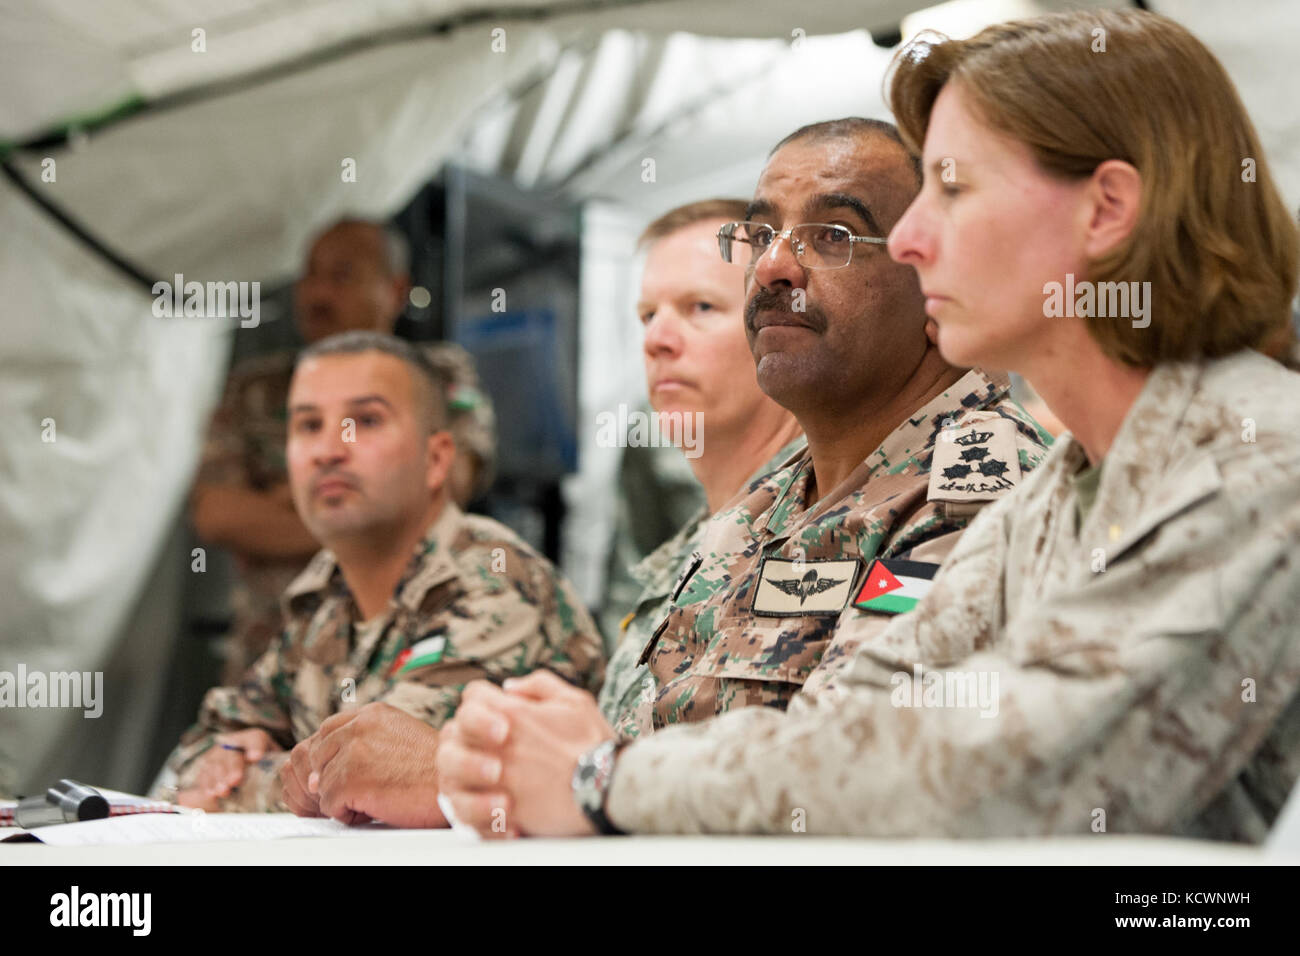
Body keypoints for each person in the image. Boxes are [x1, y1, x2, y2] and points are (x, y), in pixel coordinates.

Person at [435, 7, 1300, 842]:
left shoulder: (1259, 461)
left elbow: (1006, 766)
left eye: (953, 188)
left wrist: (602, 778)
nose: (915, 240)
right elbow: (845, 729)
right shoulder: (1058, 496)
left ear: (1107, 210)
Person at [288, 119, 1056, 827]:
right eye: (759, 235)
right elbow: (629, 735)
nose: (773, 267)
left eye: (833, 234)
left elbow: (847, 779)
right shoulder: (765, 505)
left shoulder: (979, 484)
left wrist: (475, 778)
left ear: (934, 273)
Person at [158, 332, 603, 815]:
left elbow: (369, 783)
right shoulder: (326, 598)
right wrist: (226, 755)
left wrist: (243, 781)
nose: (329, 449)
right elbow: (199, 749)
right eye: (308, 425)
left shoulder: (494, 580)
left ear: (436, 461)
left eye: (365, 421)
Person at [192, 218, 497, 683]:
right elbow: (218, 514)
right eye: (310, 275)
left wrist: (288, 498)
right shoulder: (257, 388)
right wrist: (377, 522)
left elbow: (446, 489)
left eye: (341, 276)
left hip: (403, 663)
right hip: (271, 666)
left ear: (394, 290)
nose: (318, 293)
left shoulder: (439, 376)